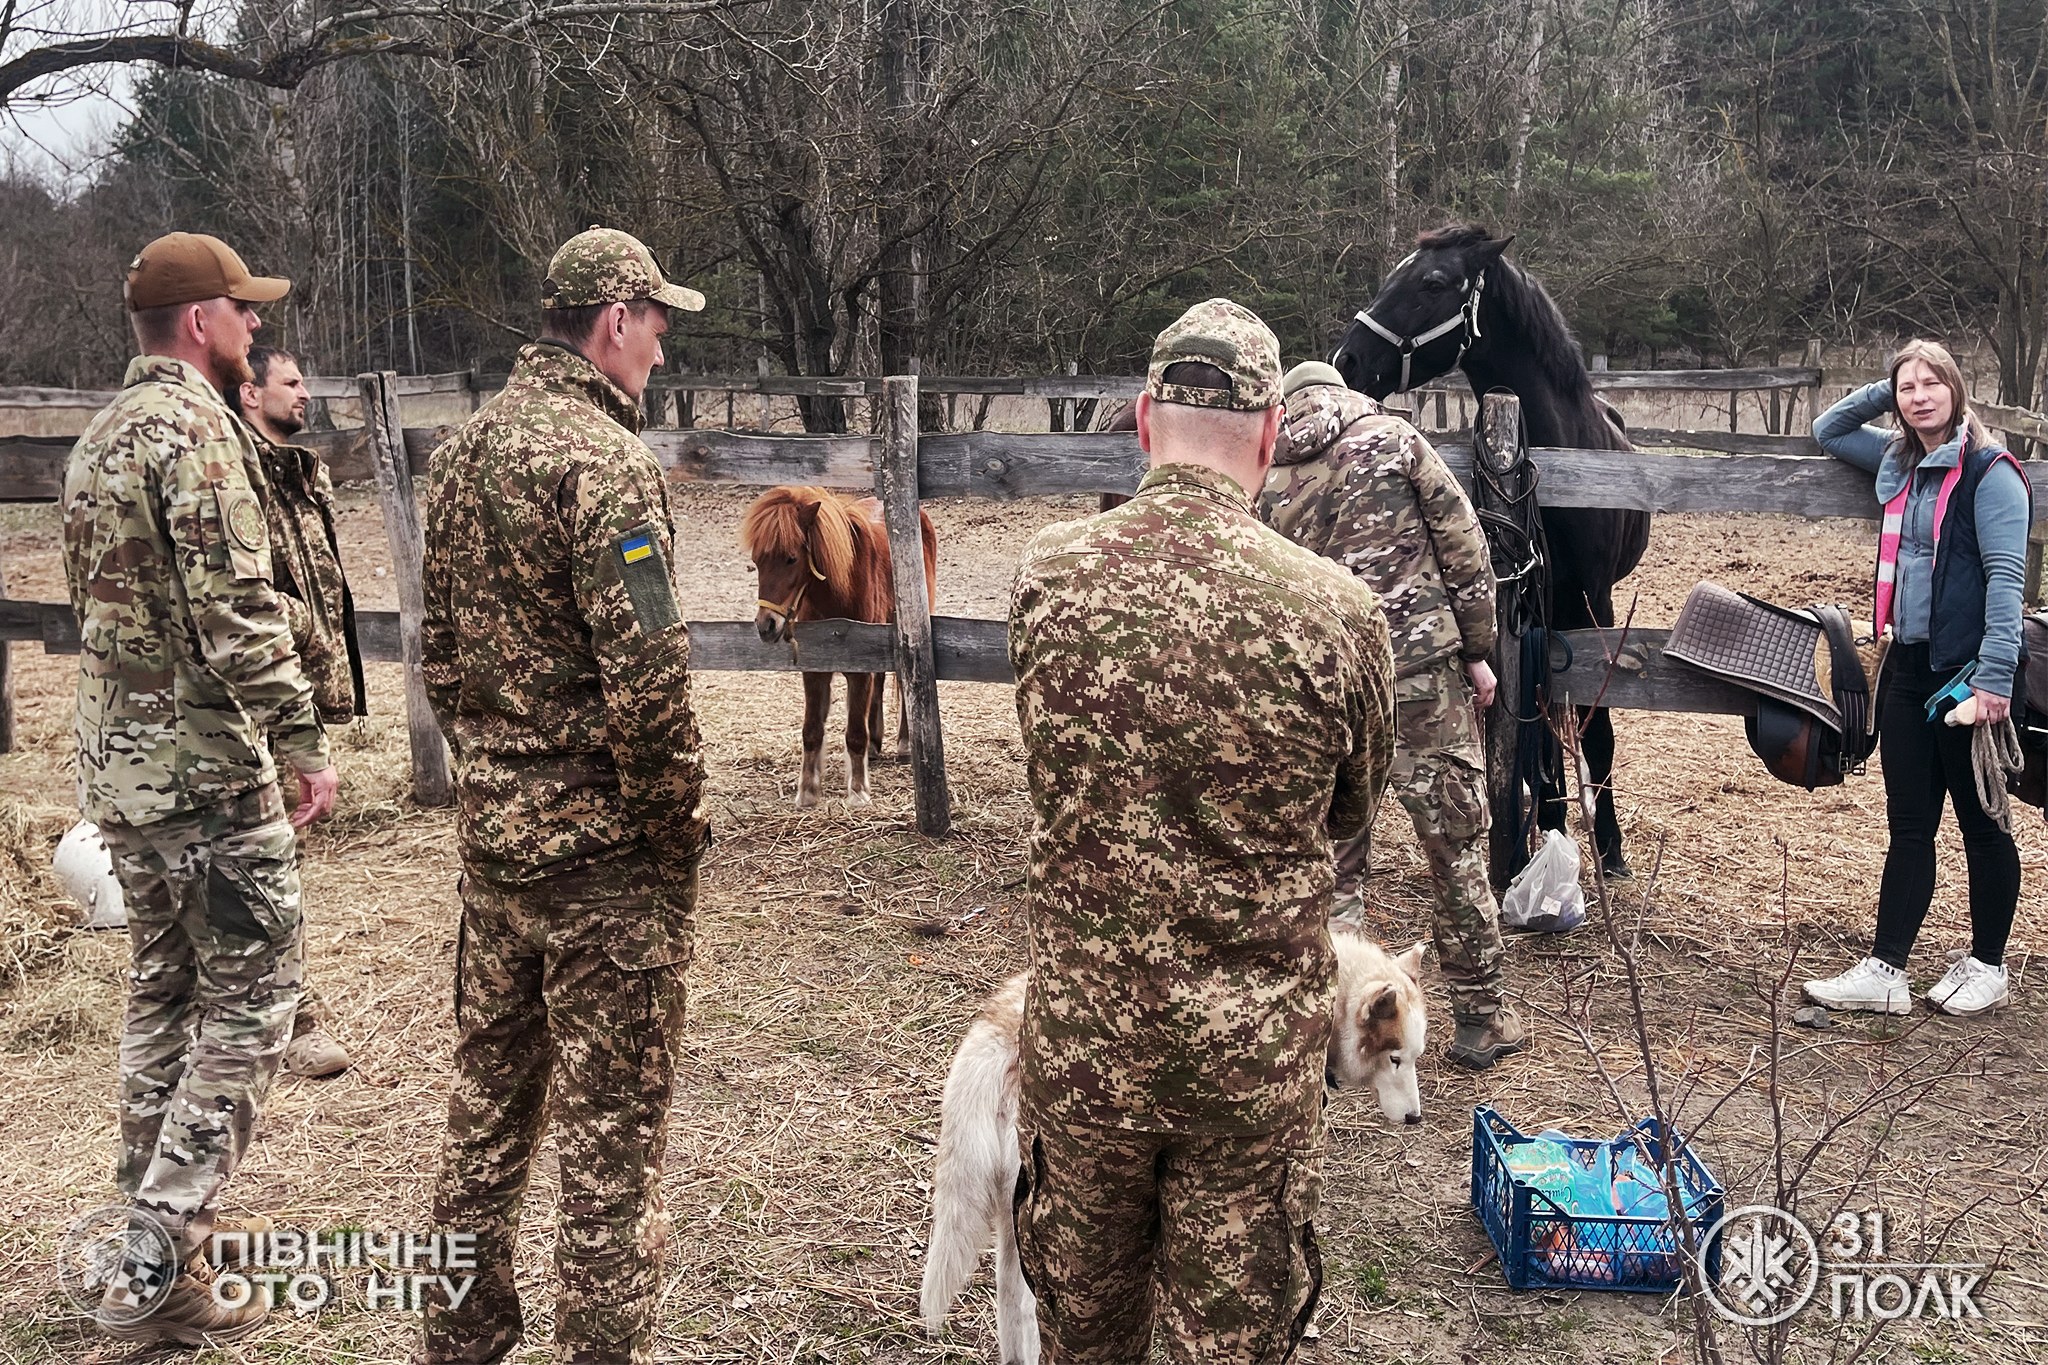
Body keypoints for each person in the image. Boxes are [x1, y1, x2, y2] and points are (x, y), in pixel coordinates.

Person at [1007, 299, 1396, 1364]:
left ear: (1142, 419)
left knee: (1084, 1335)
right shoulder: (1336, 612)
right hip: (1249, 1066)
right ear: (1270, 436)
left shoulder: (1048, 574)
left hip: (1086, 1051)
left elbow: (1052, 766)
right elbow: (1351, 810)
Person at [416, 227, 710, 1365]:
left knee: (482, 1121)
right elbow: (649, 684)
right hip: (603, 871)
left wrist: (496, 779)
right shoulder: (604, 464)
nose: (663, 346)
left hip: (497, 850)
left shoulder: (461, 456)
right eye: (656, 323)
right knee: (609, 1151)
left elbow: (440, 656)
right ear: (612, 322)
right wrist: (670, 830)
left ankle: (458, 1340)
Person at [64, 231, 338, 1345]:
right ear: (198, 323)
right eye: (242, 310)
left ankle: (156, 1230)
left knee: (163, 997)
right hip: (208, 775)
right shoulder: (196, 434)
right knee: (257, 1002)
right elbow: (234, 614)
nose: (255, 326)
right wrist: (305, 740)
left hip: (122, 776)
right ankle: (157, 1252)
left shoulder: (97, 438)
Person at [1259, 360, 1524, 1069]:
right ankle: (1481, 1020)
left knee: (1333, 861)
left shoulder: (1265, 470)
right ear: (1343, 395)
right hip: (1419, 679)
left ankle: (1333, 1029)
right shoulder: (1397, 440)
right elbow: (1464, 545)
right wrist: (1475, 647)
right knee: (1454, 847)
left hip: (1322, 686)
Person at [1804, 339, 2030, 1017]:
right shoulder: (1899, 460)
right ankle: (1887, 969)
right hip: (1907, 665)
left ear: (1957, 389)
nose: (1921, 394)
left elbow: (2006, 581)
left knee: (1983, 822)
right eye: (1908, 386)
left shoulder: (1991, 472)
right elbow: (1828, 429)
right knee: (1909, 824)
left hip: (1966, 674)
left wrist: (1992, 682)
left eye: (1934, 382)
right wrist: (1884, 385)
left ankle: (1988, 964)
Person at [233, 343, 364, 1079]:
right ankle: (293, 1021)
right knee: (267, 860)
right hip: (255, 691)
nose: (305, 393)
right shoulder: (237, 472)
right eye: (289, 382)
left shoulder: (298, 473)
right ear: (252, 395)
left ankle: (257, 1009)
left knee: (272, 858)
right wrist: (306, 632)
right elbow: (244, 590)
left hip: (290, 690)